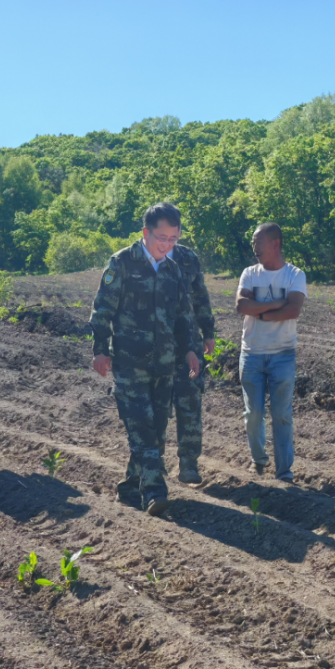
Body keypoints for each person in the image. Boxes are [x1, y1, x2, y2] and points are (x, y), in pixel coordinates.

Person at [90, 202, 201, 516]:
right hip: (130, 362)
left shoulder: (174, 270)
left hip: (164, 364)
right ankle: (154, 491)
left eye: (173, 239)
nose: (166, 245)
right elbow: (102, 311)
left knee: (156, 428)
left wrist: (191, 349)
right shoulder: (122, 263)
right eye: (161, 238)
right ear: (145, 233)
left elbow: (183, 315)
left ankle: (130, 486)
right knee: (140, 425)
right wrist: (100, 349)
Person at [234, 222, 307, 483]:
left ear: (275, 243)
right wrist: (275, 305)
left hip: (283, 354)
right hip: (251, 353)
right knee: (253, 415)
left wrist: (260, 310)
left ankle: (284, 471)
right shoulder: (250, 273)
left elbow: (293, 310)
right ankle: (259, 458)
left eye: (258, 242)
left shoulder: (295, 275)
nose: (254, 247)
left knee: (281, 415)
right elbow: (242, 306)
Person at [168, 239, 215, 486]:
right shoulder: (143, 257)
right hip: (157, 346)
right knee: (156, 407)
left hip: (189, 345)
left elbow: (200, 296)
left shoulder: (188, 258)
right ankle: (151, 465)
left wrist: (208, 331)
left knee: (190, 403)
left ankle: (189, 464)